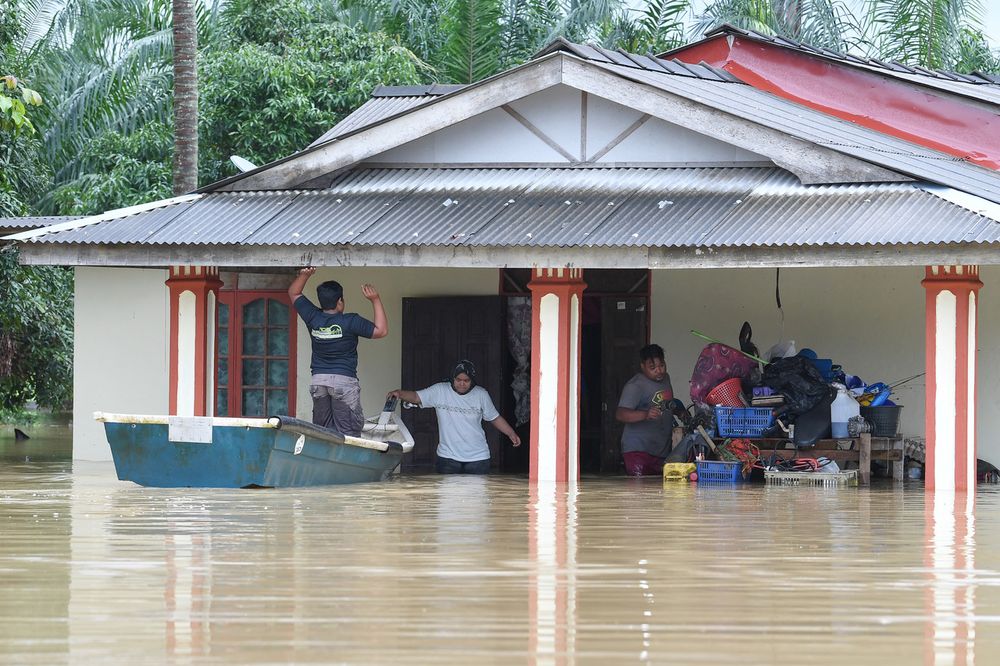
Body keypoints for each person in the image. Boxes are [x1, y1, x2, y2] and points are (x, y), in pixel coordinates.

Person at [288, 267, 387, 436]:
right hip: (343, 382)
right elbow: (381, 331)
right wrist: (375, 299)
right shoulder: (350, 321)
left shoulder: (313, 316)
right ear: (340, 301)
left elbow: (294, 293)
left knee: (324, 432)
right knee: (348, 433)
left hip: (318, 382)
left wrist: (305, 275)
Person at [388, 360, 521, 474]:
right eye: (458, 380)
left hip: (478, 459)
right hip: (447, 458)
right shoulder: (440, 390)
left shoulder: (481, 395)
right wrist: (399, 393)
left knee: (476, 501)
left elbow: (494, 417)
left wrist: (511, 433)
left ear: (472, 381)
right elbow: (417, 397)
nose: (462, 384)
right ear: (453, 379)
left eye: (466, 380)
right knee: (447, 499)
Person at [615, 343, 674, 476]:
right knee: (640, 492)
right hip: (638, 451)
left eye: (662, 366)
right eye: (652, 367)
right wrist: (645, 414)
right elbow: (620, 414)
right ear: (642, 366)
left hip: (660, 450)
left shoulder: (666, 378)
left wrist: (679, 410)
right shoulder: (636, 385)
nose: (659, 371)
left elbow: (667, 402)